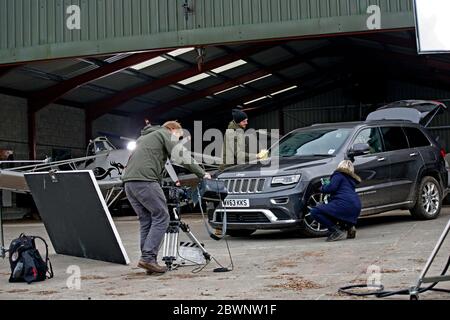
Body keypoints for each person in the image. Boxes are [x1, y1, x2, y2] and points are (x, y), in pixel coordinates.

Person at [121, 121, 211, 274]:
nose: (177, 139)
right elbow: (181, 155)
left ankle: (147, 260)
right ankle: (148, 258)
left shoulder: (144, 138)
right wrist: (202, 173)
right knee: (162, 216)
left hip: (129, 184)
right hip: (146, 181)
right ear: (172, 129)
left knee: (147, 220)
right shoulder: (164, 133)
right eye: (178, 136)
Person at [310, 160, 362, 242]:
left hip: (344, 205)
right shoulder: (351, 180)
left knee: (315, 211)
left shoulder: (338, 174)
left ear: (339, 167)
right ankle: (349, 227)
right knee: (334, 211)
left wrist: (322, 188)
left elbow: (331, 188)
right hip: (356, 207)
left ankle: (336, 231)